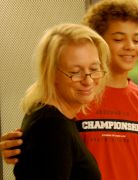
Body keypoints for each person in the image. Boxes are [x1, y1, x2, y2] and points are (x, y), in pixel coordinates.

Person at [0, 1, 138, 180]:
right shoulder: (74, 99)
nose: (130, 46)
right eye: (118, 38)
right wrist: (21, 146)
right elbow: (48, 137)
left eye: (136, 39)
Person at [12, 23, 110, 179]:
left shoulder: (59, 118)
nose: (88, 80)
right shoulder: (51, 126)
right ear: (51, 74)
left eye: (94, 69)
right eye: (75, 72)